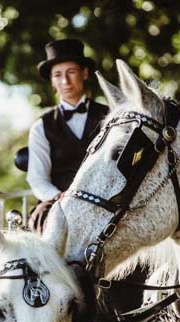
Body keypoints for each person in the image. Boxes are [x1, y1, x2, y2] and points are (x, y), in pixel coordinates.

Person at [27, 38, 109, 232]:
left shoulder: (112, 116)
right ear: (52, 81)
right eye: (57, 75)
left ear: (85, 73)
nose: (65, 81)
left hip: (106, 200)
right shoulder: (41, 127)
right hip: (57, 203)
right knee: (48, 225)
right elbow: (37, 179)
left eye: (71, 72)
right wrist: (61, 197)